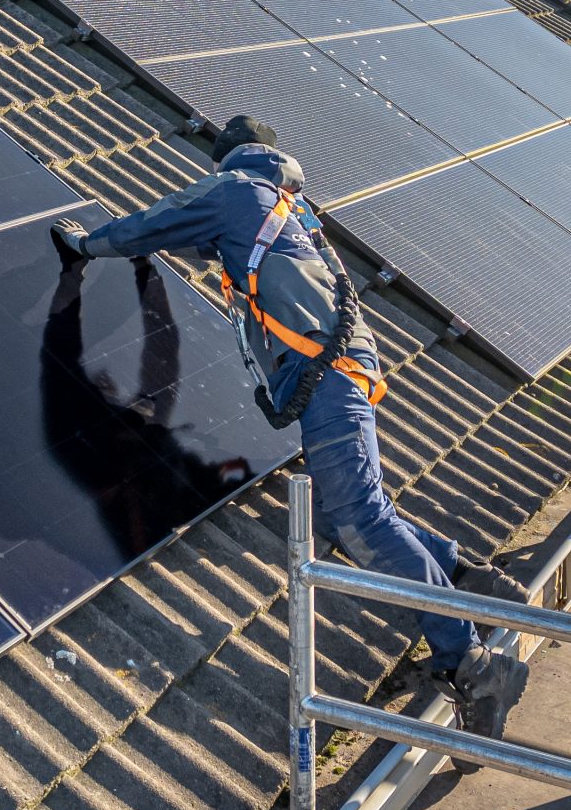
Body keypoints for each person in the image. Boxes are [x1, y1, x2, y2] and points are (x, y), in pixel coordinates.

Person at [51, 115, 529, 743]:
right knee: (341, 513)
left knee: (361, 522)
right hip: (342, 374)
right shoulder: (289, 208)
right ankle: (473, 583)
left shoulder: (232, 194)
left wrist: (86, 248)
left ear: (224, 162)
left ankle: (471, 663)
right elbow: (198, 245)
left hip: (325, 382)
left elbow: (152, 225)